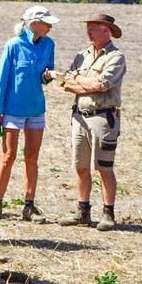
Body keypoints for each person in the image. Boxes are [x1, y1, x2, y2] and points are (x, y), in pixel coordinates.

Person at [0, 5, 58, 223]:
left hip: (36, 108)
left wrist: (49, 76)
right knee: (8, 156)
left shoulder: (48, 45)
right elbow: (1, 79)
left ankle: (29, 205)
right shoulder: (13, 45)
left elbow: (45, 76)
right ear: (33, 23)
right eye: (47, 23)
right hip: (12, 109)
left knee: (32, 157)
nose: (50, 27)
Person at [57, 13, 127, 231]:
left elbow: (102, 84)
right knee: (81, 166)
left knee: (104, 167)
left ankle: (108, 212)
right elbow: (66, 83)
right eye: (88, 28)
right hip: (79, 116)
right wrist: (83, 83)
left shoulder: (116, 57)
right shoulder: (82, 55)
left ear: (106, 30)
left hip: (103, 117)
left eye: (93, 28)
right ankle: (83, 210)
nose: (88, 32)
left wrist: (78, 82)